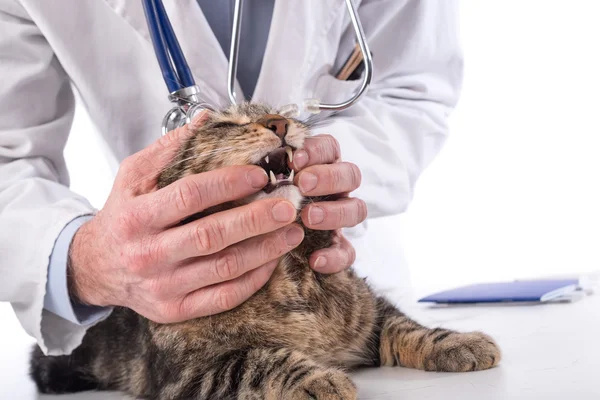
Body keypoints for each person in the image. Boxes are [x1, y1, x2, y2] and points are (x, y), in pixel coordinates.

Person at [0, 0, 462, 356]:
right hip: (180, 313)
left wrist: (325, 172)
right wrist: (88, 260)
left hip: (350, 293)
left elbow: (413, 85)